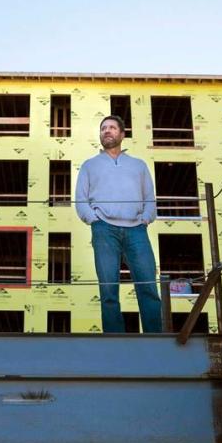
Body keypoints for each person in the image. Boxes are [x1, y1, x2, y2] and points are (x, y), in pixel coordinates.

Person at [75, 115, 162, 333]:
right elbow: (80, 198)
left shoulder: (138, 166)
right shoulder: (89, 165)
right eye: (103, 128)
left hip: (136, 230)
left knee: (148, 286)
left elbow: (149, 198)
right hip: (104, 229)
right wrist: (93, 219)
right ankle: (114, 338)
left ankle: (155, 337)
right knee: (108, 289)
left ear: (122, 135)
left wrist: (145, 219)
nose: (107, 131)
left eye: (112, 128)